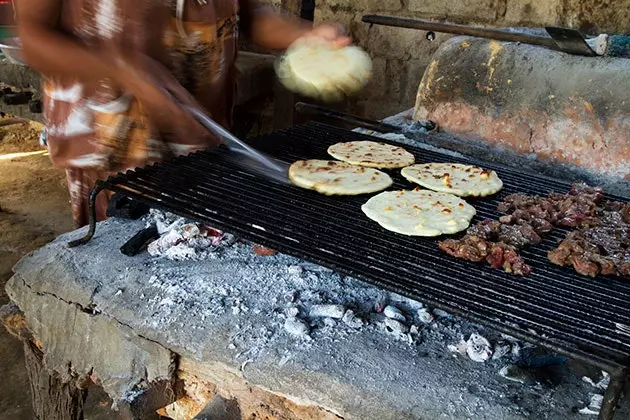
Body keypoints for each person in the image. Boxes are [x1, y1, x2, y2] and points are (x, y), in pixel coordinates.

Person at [16, 0, 349, 228]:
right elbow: (33, 36)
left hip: (201, 135)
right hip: (110, 143)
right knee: (117, 263)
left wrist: (303, 35)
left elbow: (248, 13)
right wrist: (121, 69)